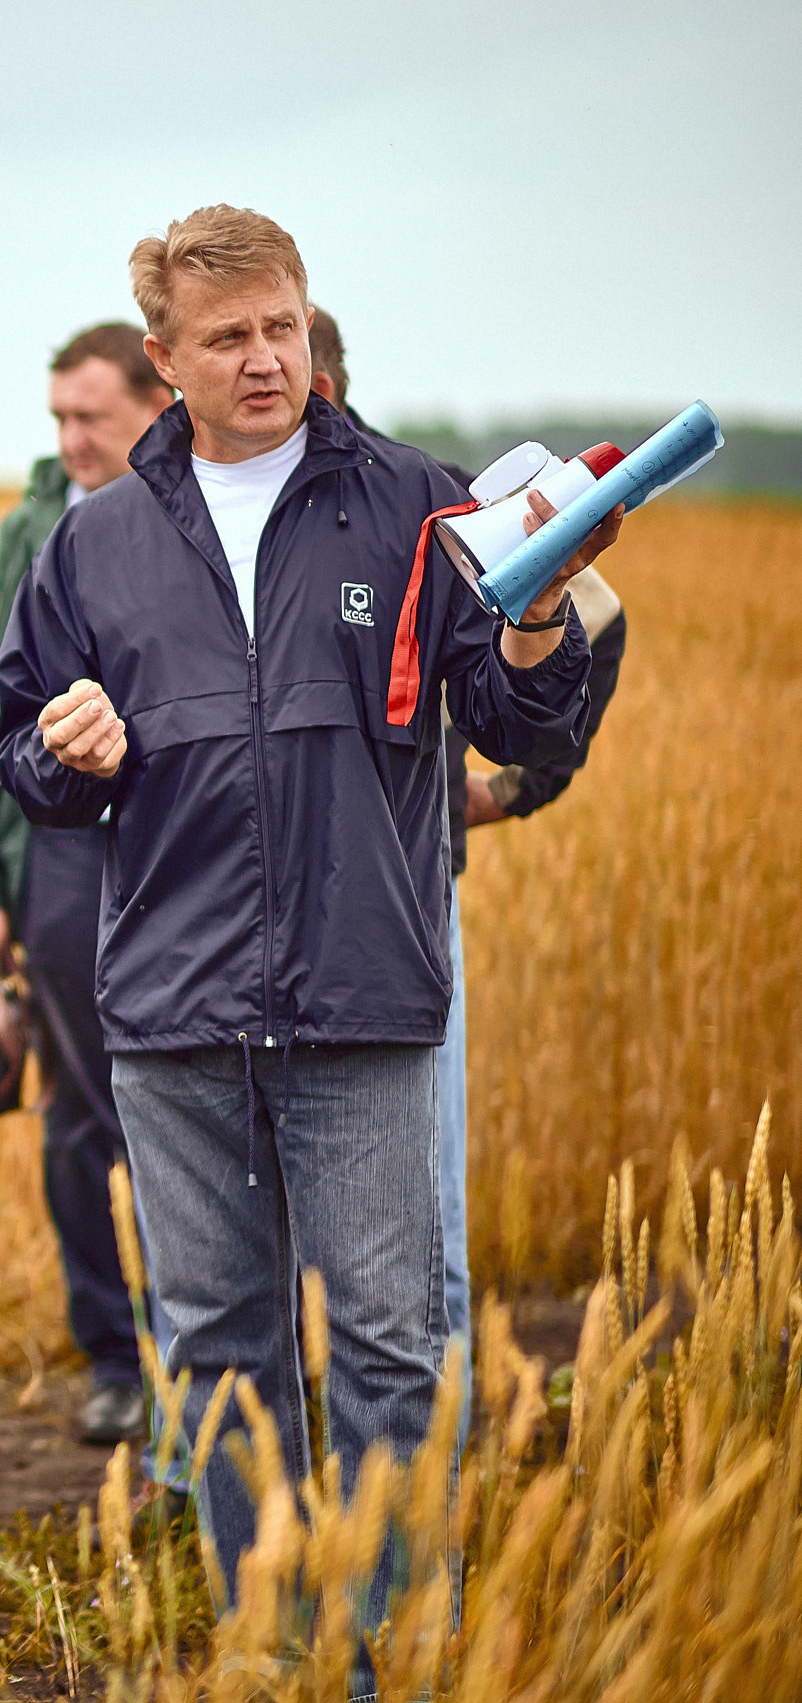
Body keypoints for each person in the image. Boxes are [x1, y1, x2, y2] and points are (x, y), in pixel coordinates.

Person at [0, 207, 612, 1641]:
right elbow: (21, 757)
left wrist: (530, 624)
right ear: (167, 359)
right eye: (228, 337)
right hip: (175, 1015)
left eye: (281, 325)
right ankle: (268, 1646)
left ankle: (396, 1649)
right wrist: (62, 749)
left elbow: (523, 718)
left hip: (367, 997)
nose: (265, 357)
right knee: (215, 1357)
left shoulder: (414, 503)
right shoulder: (96, 544)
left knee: (396, 1350)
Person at [306, 306, 630, 1368]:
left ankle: (423, 1466)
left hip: (400, 898)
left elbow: (595, 605)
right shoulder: (213, 517)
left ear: (327, 385)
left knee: (414, 1211)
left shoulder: (426, 503)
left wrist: (520, 784)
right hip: (246, 912)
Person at [0, 323, 174, 1449]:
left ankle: (216, 1350)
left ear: (155, 400)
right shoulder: (28, 534)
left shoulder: (208, 515)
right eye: (58, 419)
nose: (71, 441)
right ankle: (114, 1359)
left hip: (193, 853)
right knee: (82, 1114)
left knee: (207, 1109)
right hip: (66, 860)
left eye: (91, 416)